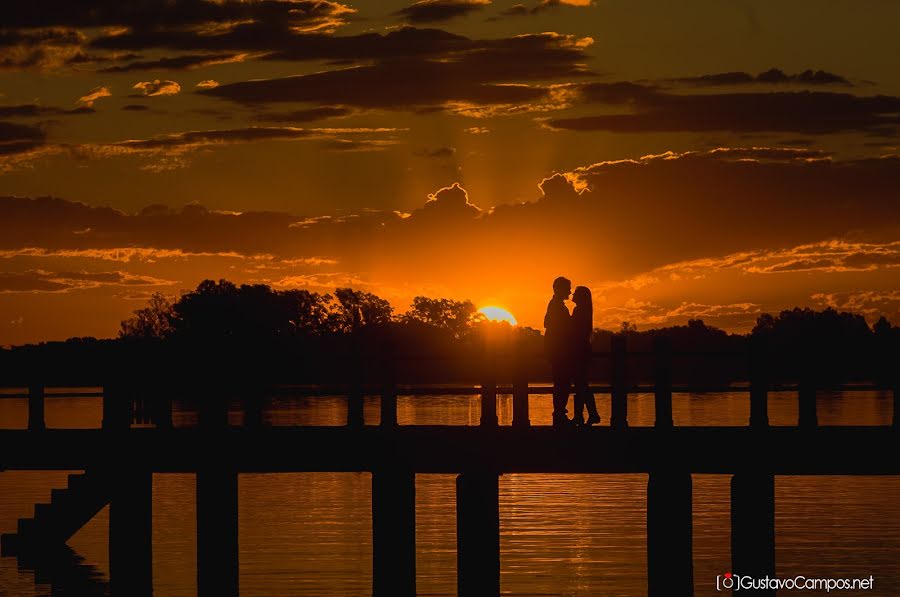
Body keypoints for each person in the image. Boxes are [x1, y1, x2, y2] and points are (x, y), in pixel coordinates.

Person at [544, 276, 573, 427]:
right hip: (558, 351)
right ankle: (559, 415)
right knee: (562, 383)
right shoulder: (555, 305)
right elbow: (548, 323)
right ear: (559, 289)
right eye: (568, 288)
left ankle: (560, 413)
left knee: (562, 383)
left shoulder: (557, 305)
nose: (570, 291)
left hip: (558, 350)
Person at [571, 286, 600, 426]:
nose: (573, 294)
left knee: (581, 384)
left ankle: (588, 415)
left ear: (581, 297)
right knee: (581, 384)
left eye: (576, 292)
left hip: (578, 351)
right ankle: (583, 415)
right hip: (583, 350)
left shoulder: (579, 311)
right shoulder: (586, 311)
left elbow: (572, 330)